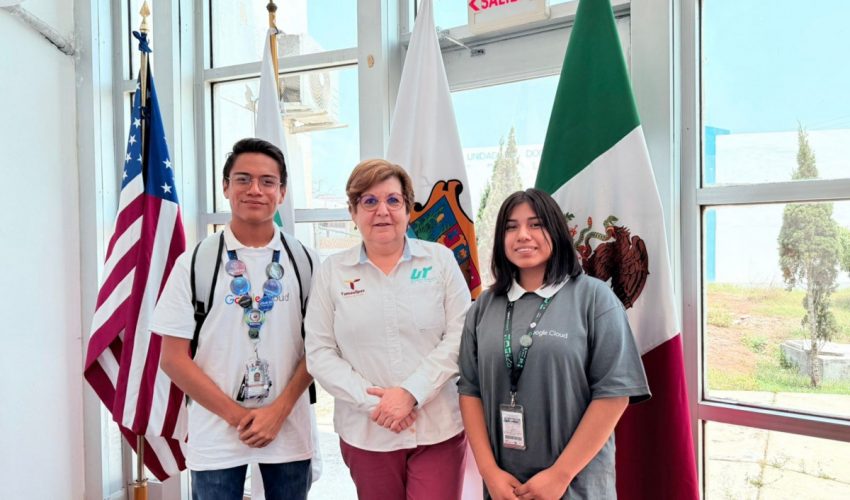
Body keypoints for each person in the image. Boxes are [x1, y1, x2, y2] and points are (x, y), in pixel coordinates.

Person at [458, 189, 650, 500]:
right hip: (504, 486)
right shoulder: (483, 306)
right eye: (510, 226)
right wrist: (489, 472)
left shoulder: (595, 298)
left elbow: (614, 394)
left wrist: (560, 475)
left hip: (574, 484)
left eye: (536, 225)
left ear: (557, 231)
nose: (523, 235)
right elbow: (469, 391)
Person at [151, 138, 316, 500]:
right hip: (216, 432)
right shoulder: (195, 262)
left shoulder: (306, 261)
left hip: (288, 428)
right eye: (243, 179)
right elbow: (173, 358)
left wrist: (278, 411)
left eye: (267, 181)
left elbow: (321, 348)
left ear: (282, 192)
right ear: (225, 187)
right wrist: (238, 416)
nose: (255, 190)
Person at [305, 159, 472, 499]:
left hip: (437, 428)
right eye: (369, 201)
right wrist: (377, 406)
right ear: (353, 212)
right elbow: (320, 353)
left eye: (393, 200)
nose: (383, 210)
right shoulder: (332, 272)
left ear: (408, 209)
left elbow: (461, 336)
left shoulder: (440, 260)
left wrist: (409, 394)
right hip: (367, 432)